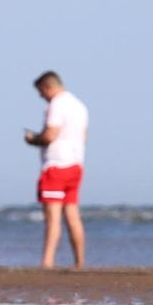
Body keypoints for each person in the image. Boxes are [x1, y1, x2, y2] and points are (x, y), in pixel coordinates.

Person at [24, 71, 89, 269]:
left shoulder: (57, 105)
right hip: (76, 163)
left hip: (56, 165)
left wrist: (33, 139)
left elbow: (50, 135)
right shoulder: (79, 106)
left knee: (52, 217)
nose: (41, 96)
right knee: (72, 215)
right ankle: (79, 262)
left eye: (41, 92)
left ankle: (47, 262)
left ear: (48, 87)